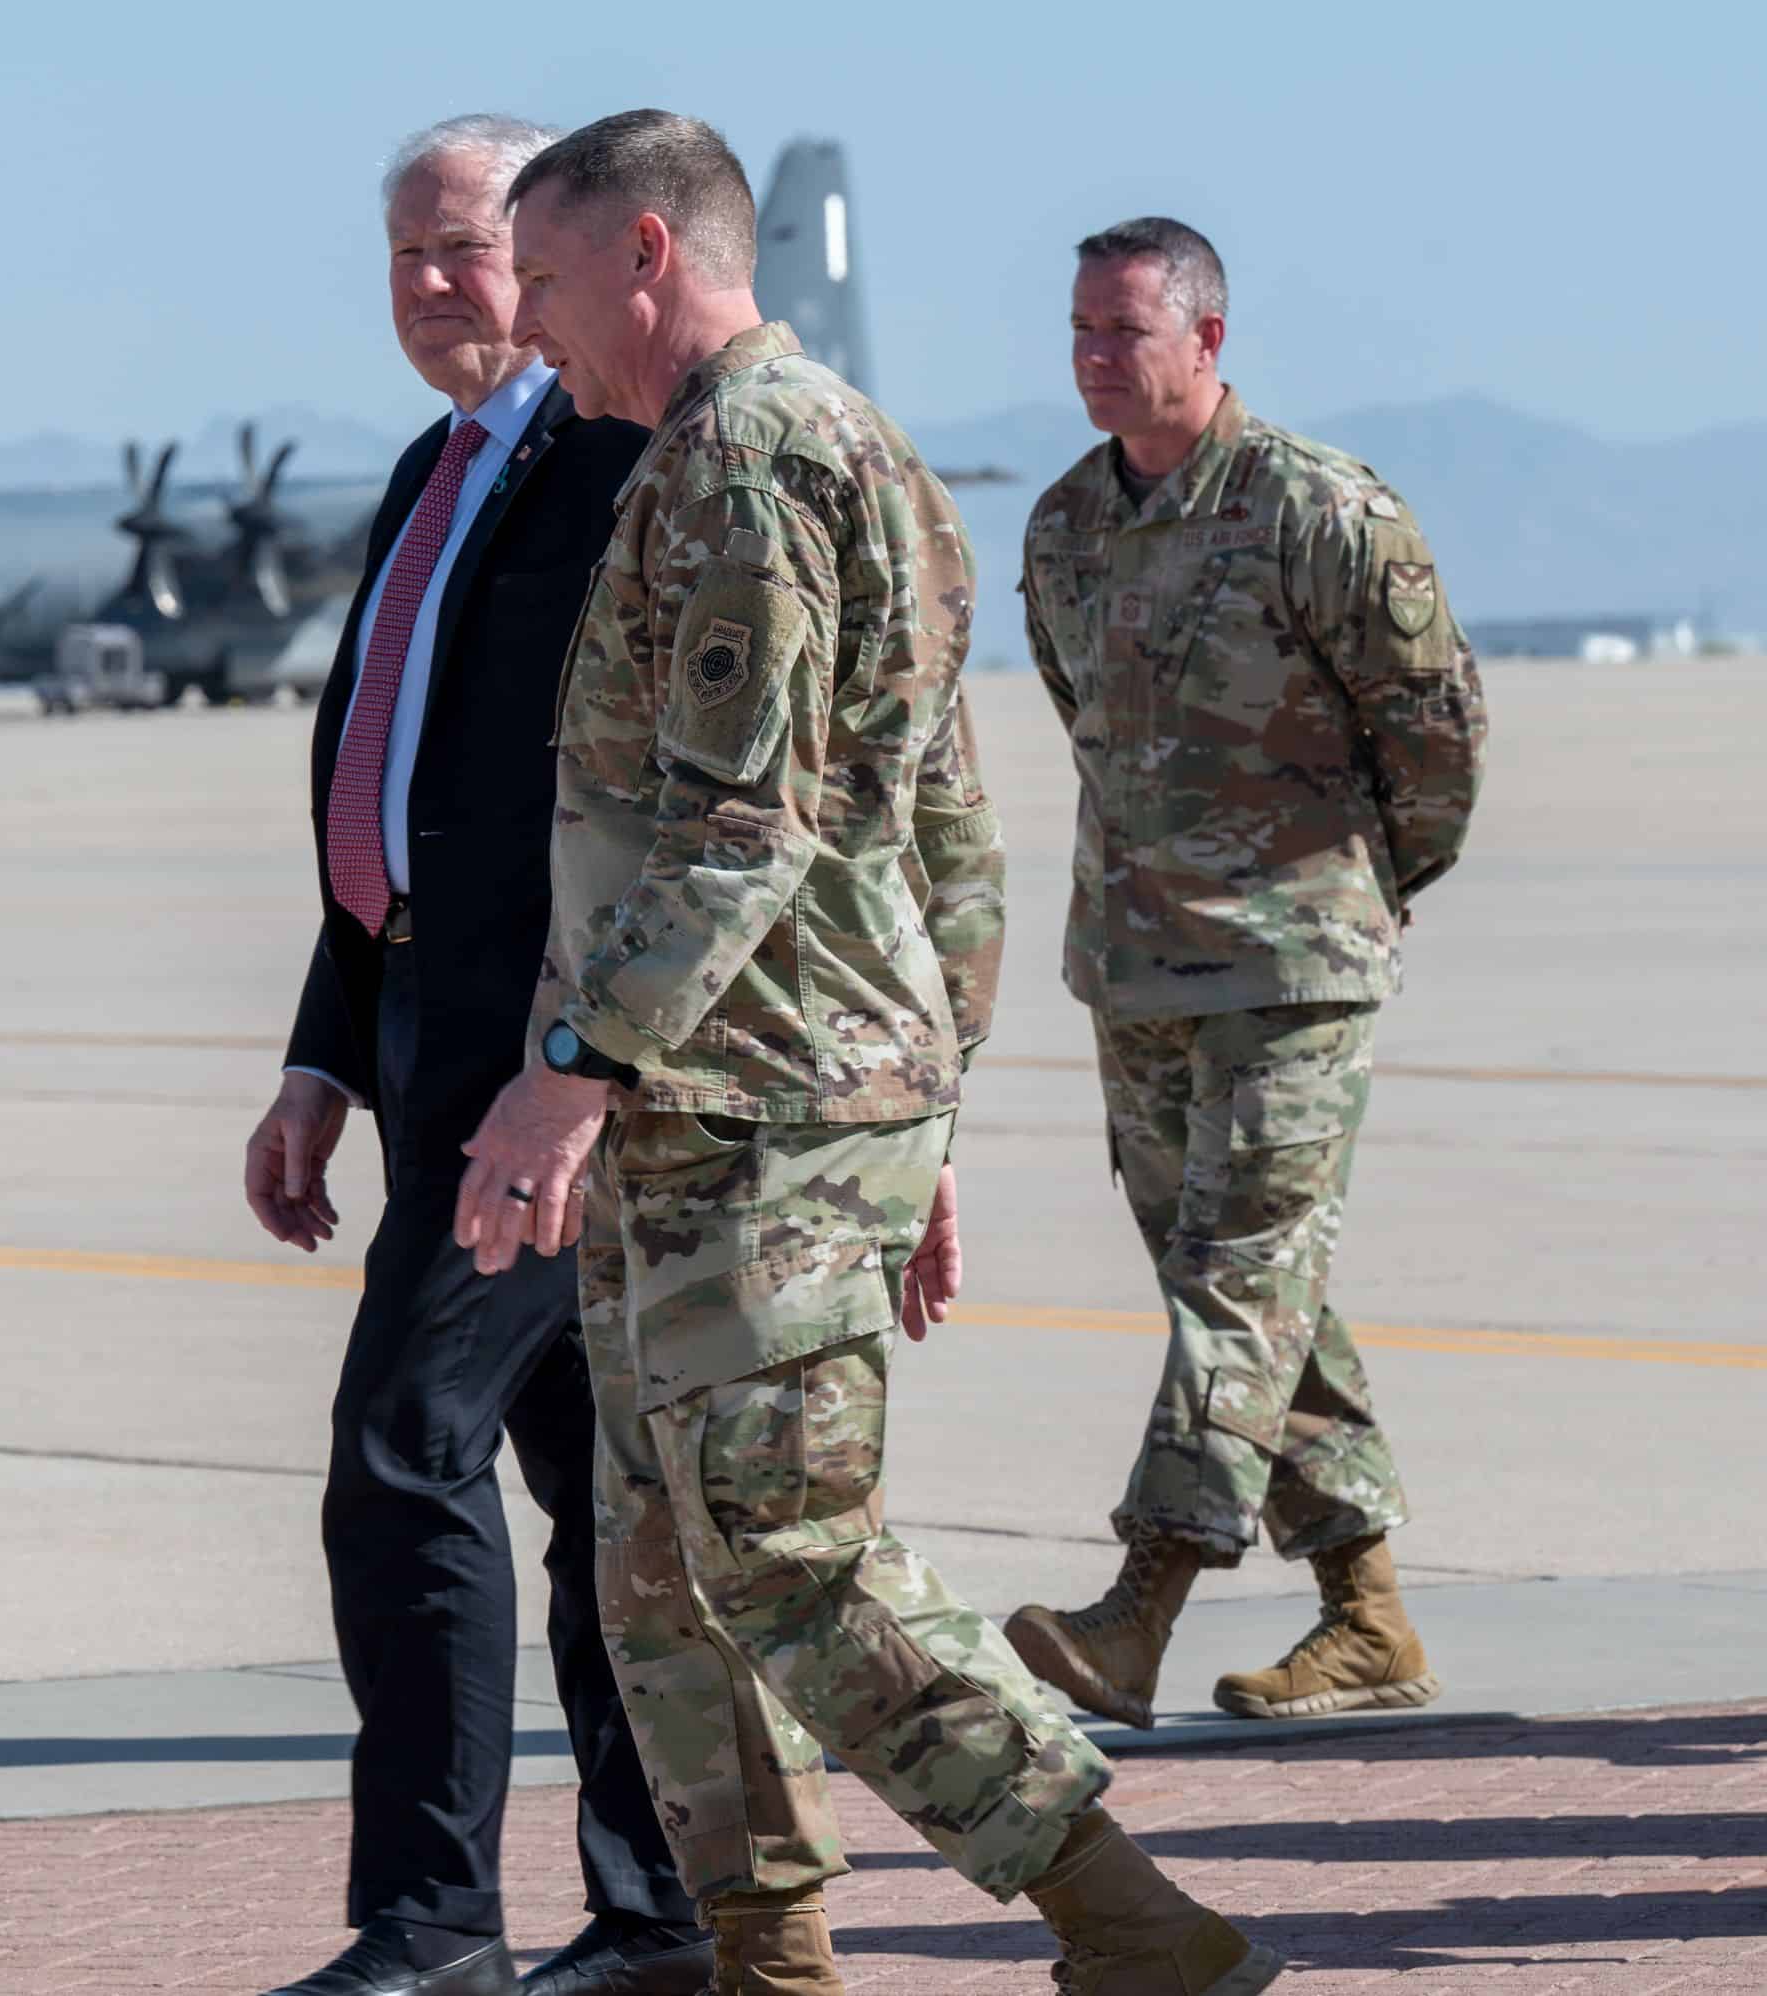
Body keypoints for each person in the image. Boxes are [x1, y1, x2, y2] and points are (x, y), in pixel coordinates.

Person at [467, 111, 1284, 1994]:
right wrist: (926, 1106)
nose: (527, 322)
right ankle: (770, 1954)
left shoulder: (748, 466)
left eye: (549, 275)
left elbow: (738, 831)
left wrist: (570, 1069)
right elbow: (942, 822)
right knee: (660, 1563)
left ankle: (1125, 1919)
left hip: (748, 1102)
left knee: (787, 1556)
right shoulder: (824, 456)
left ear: (653, 255)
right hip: (761, 1094)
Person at [239, 114, 706, 1996]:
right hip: (427, 1038)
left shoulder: (620, 468)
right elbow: (400, 793)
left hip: (549, 1071)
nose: (441, 287)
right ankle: (663, 1909)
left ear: (566, 252)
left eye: (473, 250)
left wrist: (578, 1067)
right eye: (409, 256)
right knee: (587, 1488)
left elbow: (651, 809)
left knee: (400, 1453)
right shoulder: (435, 476)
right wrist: (320, 1059)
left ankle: (432, 1927)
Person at [1002, 218, 1487, 1733]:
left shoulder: (1319, 512)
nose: (1094, 357)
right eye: (1079, 330)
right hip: (1139, 975)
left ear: (1207, 341)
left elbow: (1436, 735)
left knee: (1236, 1291)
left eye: (1124, 332)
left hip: (1294, 960)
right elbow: (1083, 713)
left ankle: (1139, 1608)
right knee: (1257, 1298)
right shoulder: (1068, 525)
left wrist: (1351, 891)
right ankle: (1369, 1615)